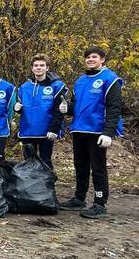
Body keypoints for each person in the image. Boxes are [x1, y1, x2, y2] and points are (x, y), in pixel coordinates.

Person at [59, 46, 123, 218]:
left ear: (102, 59)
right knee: (80, 166)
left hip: (97, 131)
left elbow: (114, 108)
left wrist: (108, 132)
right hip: (79, 129)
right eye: (87, 57)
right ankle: (79, 199)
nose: (90, 60)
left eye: (94, 57)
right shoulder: (80, 81)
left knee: (98, 168)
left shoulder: (110, 79)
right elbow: (76, 106)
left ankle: (100, 203)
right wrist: (67, 109)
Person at [13, 53, 67, 167]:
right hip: (27, 131)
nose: (38, 68)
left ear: (47, 68)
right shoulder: (24, 87)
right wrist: (16, 109)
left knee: (45, 162)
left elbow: (60, 110)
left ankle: (47, 185)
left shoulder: (56, 86)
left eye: (42, 65)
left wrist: (54, 129)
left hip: (46, 132)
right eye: (36, 65)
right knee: (28, 163)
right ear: (32, 68)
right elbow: (21, 108)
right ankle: (30, 185)